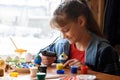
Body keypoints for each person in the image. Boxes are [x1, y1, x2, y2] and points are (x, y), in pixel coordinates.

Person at [34, 0, 120, 75]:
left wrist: (87, 71)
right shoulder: (60, 46)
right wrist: (42, 59)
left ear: (81, 22)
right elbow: (40, 54)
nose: (63, 36)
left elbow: (114, 78)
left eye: (66, 30)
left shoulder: (105, 51)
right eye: (60, 32)